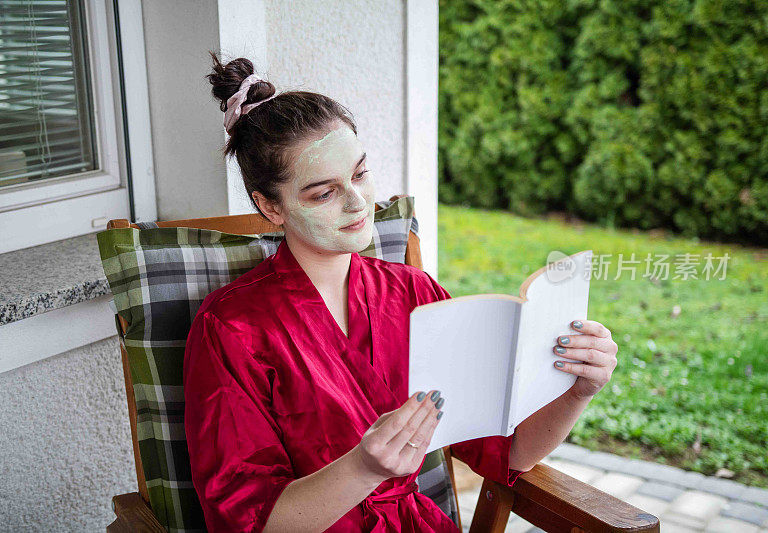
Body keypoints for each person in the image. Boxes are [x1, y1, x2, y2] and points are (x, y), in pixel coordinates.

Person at [183, 54, 619, 533]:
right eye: (322, 193)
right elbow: (246, 522)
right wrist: (362, 469)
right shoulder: (231, 327)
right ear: (271, 207)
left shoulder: (414, 293)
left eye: (360, 172)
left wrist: (578, 390)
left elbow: (506, 450)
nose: (357, 202)